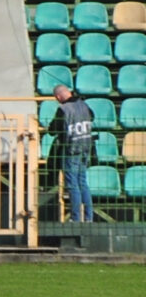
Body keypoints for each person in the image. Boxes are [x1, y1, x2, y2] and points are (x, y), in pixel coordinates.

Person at [54, 83, 96, 221]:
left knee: (72, 184)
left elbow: (54, 128)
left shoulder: (63, 109)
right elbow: (92, 117)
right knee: (83, 182)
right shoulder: (84, 105)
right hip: (85, 148)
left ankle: (76, 218)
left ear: (58, 96)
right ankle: (89, 217)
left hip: (71, 149)